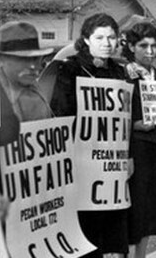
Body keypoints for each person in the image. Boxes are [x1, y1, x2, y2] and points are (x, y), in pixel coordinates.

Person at [50, 13, 129, 258]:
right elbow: (61, 112)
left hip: (113, 165)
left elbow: (125, 120)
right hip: (81, 162)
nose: (106, 43)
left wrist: (130, 157)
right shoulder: (71, 69)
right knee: (86, 229)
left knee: (114, 229)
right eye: (99, 37)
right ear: (86, 39)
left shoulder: (120, 72)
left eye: (112, 37)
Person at [0, 21, 54, 246]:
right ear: (1, 59)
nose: (34, 65)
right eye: (24, 59)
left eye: (36, 58)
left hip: (31, 207)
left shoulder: (36, 94)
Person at [121, 22, 156, 258]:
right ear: (131, 46)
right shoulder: (124, 75)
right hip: (133, 149)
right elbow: (112, 118)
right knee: (133, 210)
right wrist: (134, 124)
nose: (150, 51)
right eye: (143, 46)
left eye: (153, 46)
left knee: (149, 210)